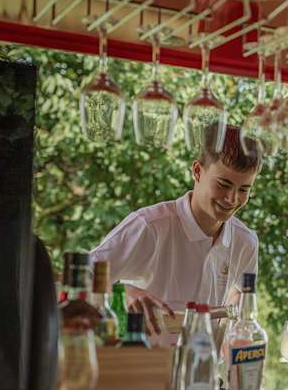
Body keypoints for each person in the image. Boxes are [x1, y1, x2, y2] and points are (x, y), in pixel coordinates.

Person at [90, 124, 260, 337]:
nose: (232, 199)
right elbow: (82, 277)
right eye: (223, 184)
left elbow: (241, 296)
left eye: (244, 189)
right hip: (142, 363)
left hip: (207, 367)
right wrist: (124, 293)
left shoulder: (246, 242)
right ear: (197, 171)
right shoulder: (150, 226)